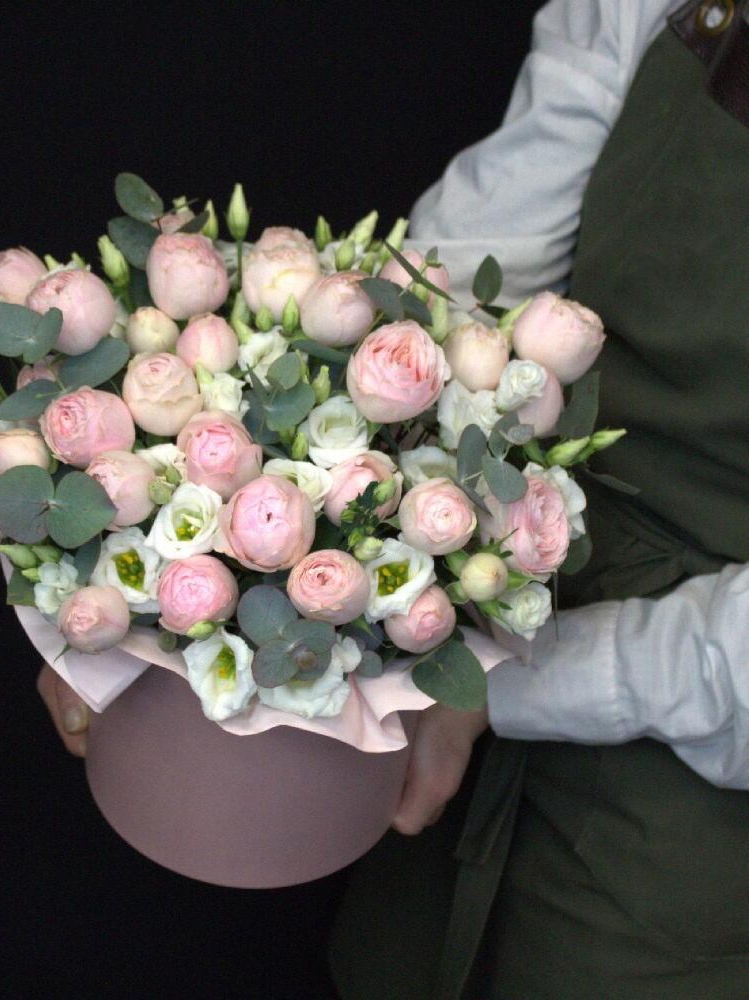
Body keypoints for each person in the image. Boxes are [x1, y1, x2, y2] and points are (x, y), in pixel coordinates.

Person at [39, 1, 749, 995]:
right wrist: (138, 590)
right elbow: (470, 278)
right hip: (464, 621)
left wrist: (488, 683)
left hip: (684, 800)